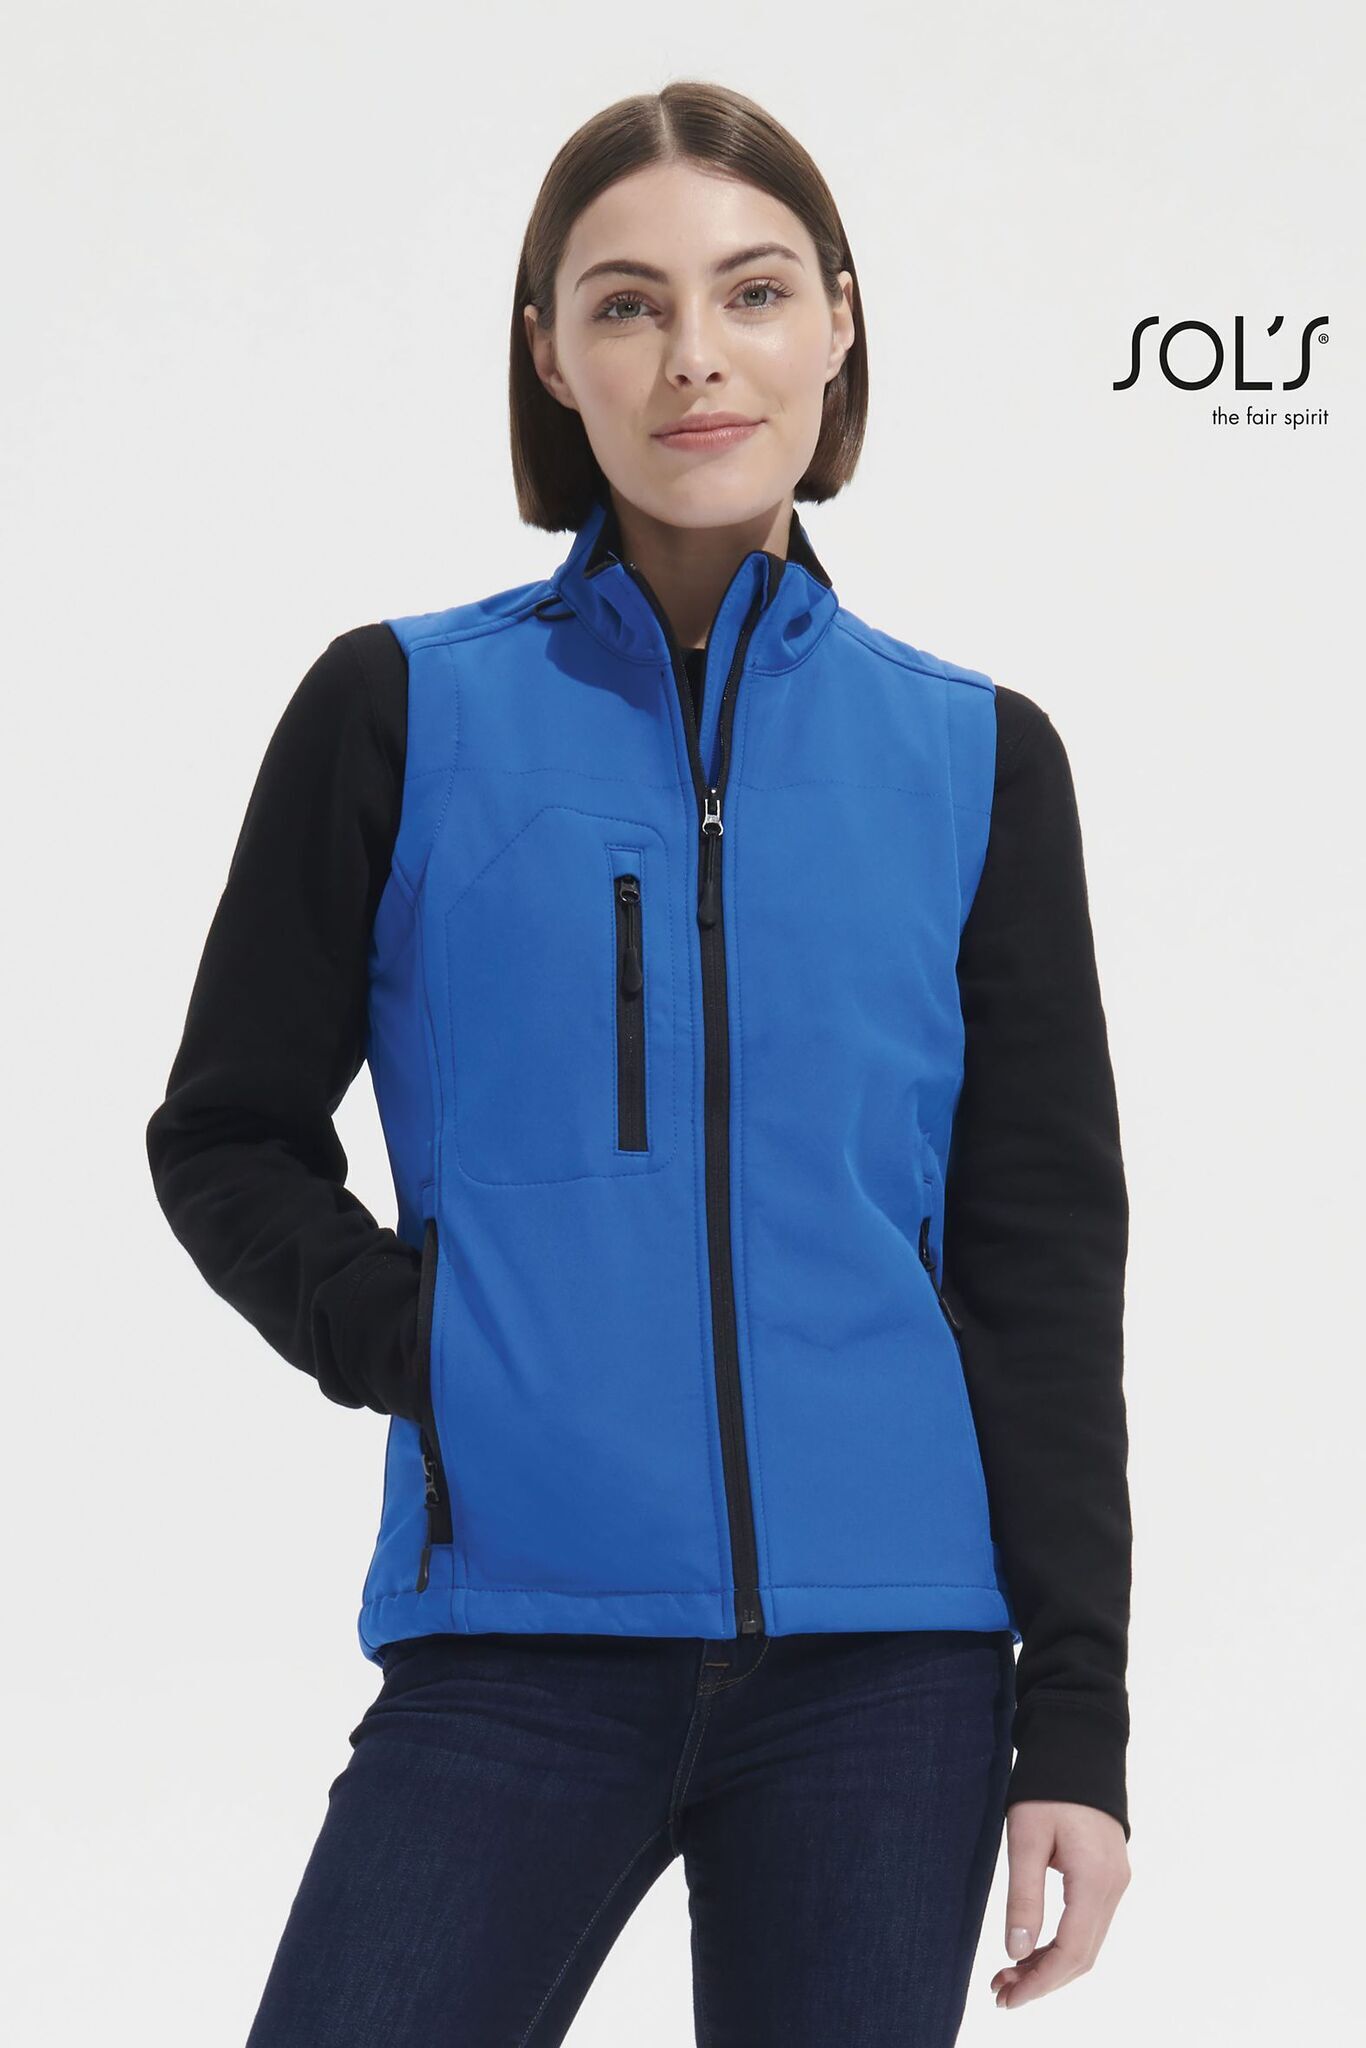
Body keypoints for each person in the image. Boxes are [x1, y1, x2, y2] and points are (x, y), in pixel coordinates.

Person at [146, 79, 1132, 2046]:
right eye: (626, 303)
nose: (695, 354)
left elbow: (1038, 1265)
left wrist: (1078, 1727)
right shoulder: (401, 708)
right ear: (550, 354)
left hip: (892, 1668)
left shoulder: (972, 758)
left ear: (835, 324)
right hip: (516, 1636)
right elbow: (227, 1132)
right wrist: (434, 1346)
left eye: (751, 292)